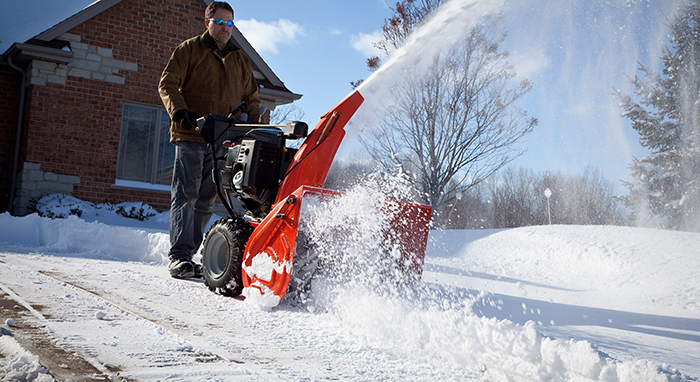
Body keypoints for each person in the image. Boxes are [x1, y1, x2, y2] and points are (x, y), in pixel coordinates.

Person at [158, 1, 261, 279]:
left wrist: (253, 129)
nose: (225, 28)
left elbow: (252, 99)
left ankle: (189, 256)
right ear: (207, 23)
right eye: (219, 22)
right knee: (185, 195)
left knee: (206, 199)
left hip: (222, 140)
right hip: (191, 134)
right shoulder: (190, 50)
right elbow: (167, 83)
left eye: (230, 23)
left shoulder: (240, 60)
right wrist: (180, 111)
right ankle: (179, 256)